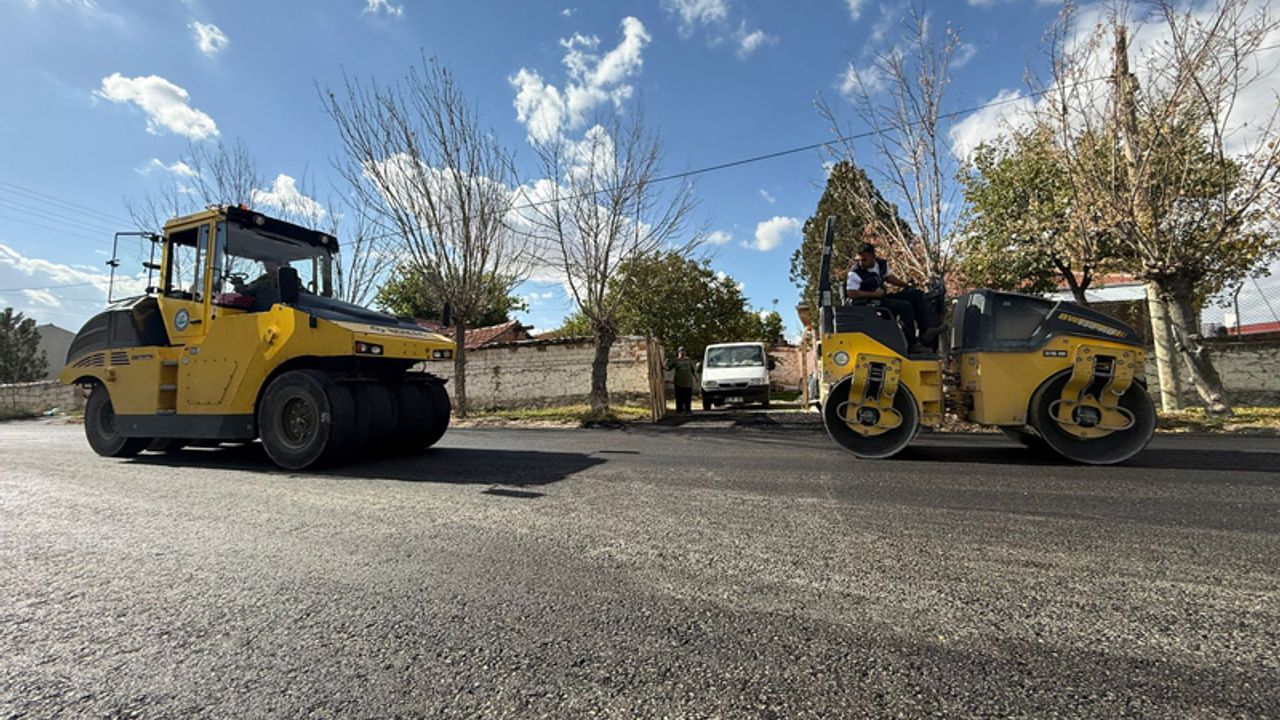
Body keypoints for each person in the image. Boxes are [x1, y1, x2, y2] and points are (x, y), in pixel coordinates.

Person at [845, 243, 933, 354]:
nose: (861, 263)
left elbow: (889, 278)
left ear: (873, 256)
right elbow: (851, 293)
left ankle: (925, 332)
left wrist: (906, 285)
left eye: (864, 260)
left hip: (882, 298)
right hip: (869, 303)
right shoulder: (855, 273)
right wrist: (873, 294)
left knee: (916, 295)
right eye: (860, 260)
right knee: (905, 307)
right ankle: (912, 344)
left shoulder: (881, 265)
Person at [667, 346, 697, 413]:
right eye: (681, 351)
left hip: (688, 382)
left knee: (688, 397)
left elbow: (693, 370)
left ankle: (688, 409)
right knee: (679, 396)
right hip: (679, 382)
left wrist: (696, 377)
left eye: (683, 351)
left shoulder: (689, 360)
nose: (682, 352)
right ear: (678, 352)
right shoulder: (675, 360)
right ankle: (679, 409)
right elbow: (668, 368)